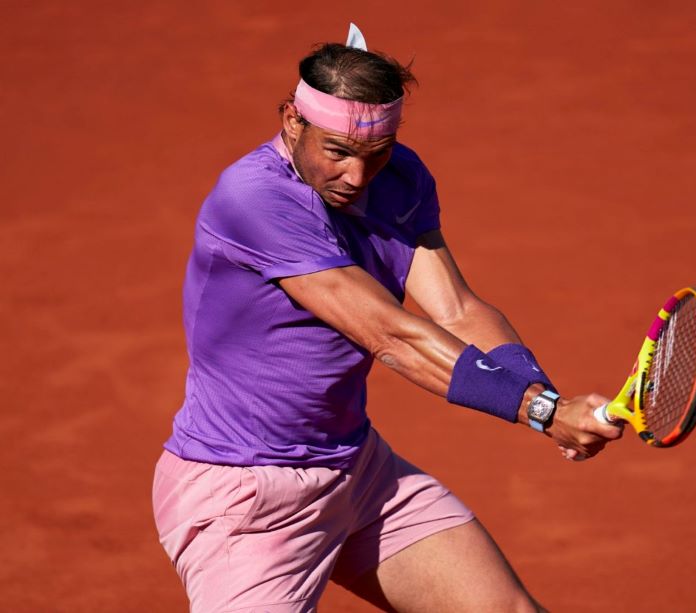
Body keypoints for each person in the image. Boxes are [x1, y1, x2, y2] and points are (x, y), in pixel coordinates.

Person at [152, 24, 623, 612]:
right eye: (338, 152)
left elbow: (456, 308)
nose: (357, 177)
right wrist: (543, 413)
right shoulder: (255, 200)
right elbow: (389, 334)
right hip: (248, 498)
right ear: (291, 121)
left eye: (375, 155)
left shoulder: (399, 177)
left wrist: (543, 400)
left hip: (359, 471)